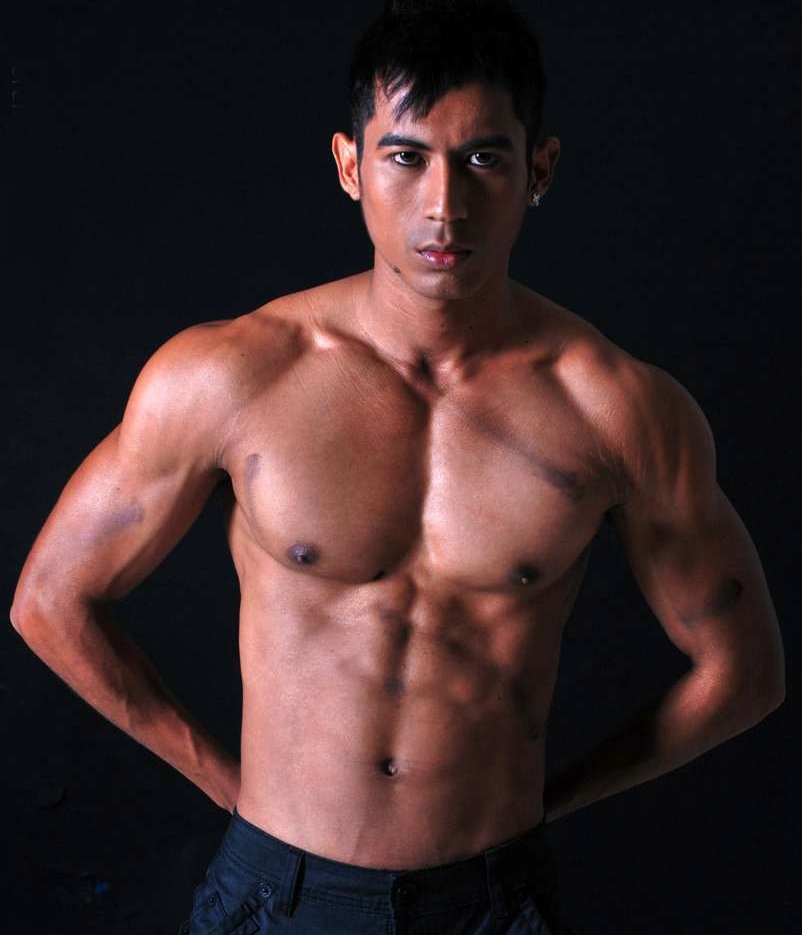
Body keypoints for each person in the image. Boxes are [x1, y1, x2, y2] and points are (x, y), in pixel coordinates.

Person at [11, 1, 785, 933]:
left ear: (539, 169)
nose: (443, 205)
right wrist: (228, 787)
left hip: (494, 899)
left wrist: (549, 803)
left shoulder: (619, 410)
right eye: (406, 157)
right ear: (351, 166)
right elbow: (50, 600)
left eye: (483, 158)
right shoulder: (233, 375)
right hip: (281, 890)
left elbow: (744, 672)